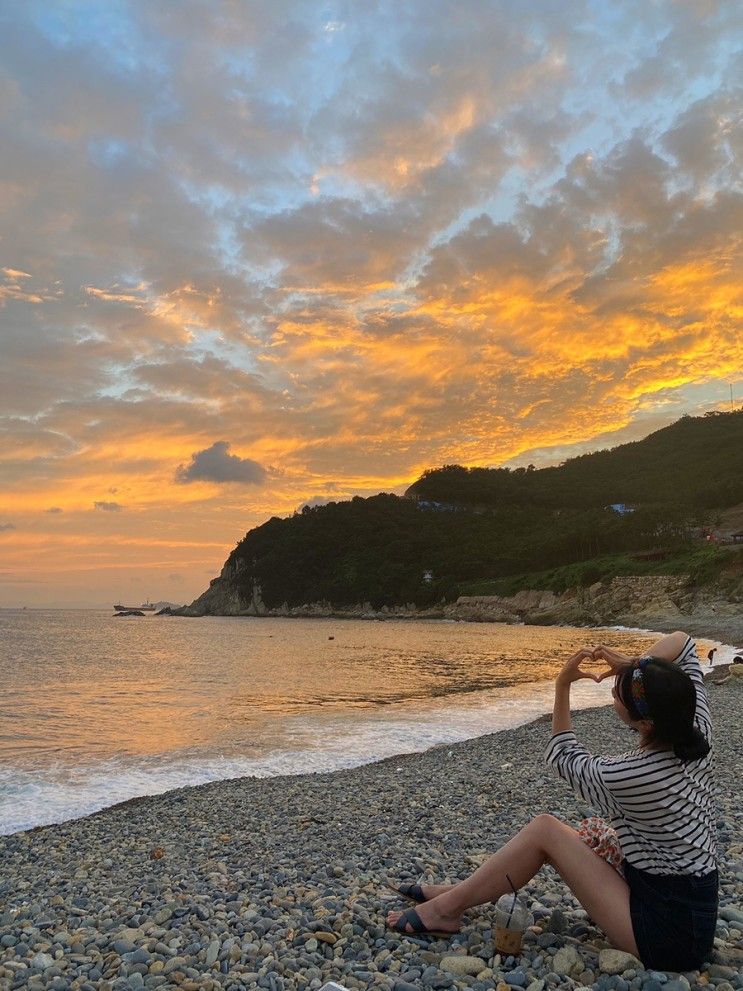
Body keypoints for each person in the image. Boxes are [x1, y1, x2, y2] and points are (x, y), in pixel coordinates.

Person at [386, 631, 717, 971]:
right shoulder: (694, 727)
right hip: (686, 904)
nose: (614, 692)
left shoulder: (637, 774)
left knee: (545, 831)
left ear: (645, 724)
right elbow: (683, 641)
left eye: (618, 694)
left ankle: (447, 909)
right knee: (565, 832)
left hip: (668, 936)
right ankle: (463, 891)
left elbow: (563, 755)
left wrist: (562, 684)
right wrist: (633, 666)